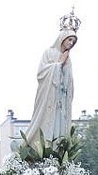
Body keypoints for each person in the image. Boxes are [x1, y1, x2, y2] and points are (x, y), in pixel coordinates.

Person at [23, 16, 78, 148]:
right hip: (47, 96)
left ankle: (55, 150)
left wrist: (64, 66)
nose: (71, 43)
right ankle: (40, 147)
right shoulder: (49, 52)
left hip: (60, 100)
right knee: (44, 122)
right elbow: (41, 73)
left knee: (58, 126)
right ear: (63, 38)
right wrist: (59, 64)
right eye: (70, 40)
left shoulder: (68, 59)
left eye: (73, 42)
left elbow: (68, 82)